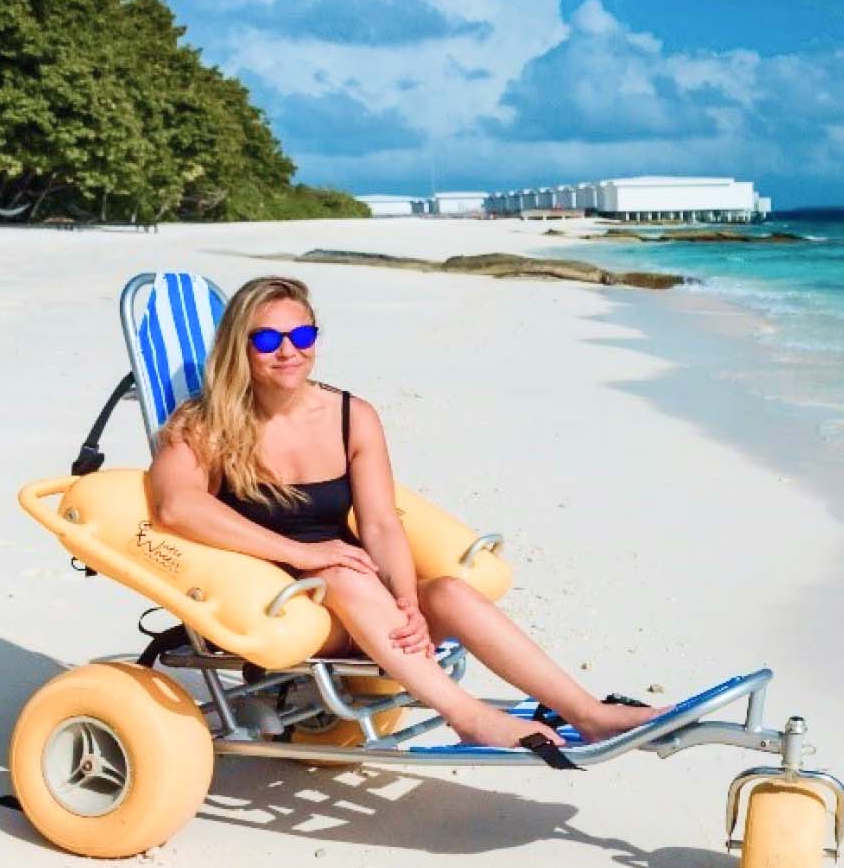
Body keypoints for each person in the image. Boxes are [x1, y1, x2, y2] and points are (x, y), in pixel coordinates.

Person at [148, 274, 664, 752]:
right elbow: (177, 504)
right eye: (266, 340)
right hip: (278, 607)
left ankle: (590, 714)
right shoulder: (207, 425)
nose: (288, 351)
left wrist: (406, 600)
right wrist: (303, 554)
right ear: (239, 347)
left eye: (301, 336)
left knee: (447, 592)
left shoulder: (351, 416)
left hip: (362, 602)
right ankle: (469, 717)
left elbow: (380, 523)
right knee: (341, 570)